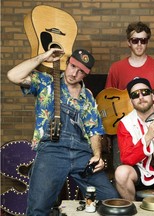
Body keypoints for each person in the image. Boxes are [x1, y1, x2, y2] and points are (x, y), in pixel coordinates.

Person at [7, 48, 119, 215]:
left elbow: (94, 129)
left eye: (81, 72)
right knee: (38, 208)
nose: (74, 74)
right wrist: (43, 57)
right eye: (73, 66)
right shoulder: (46, 83)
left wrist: (96, 155)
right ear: (67, 63)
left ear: (85, 75)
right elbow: (13, 76)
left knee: (111, 200)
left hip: (82, 153)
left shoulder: (87, 96)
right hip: (52, 151)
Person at [105, 21, 154, 169]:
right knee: (121, 168)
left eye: (143, 40)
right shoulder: (116, 68)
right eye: (135, 40)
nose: (139, 44)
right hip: (124, 125)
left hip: (151, 122)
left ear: (147, 42)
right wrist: (107, 131)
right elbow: (107, 100)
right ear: (129, 42)